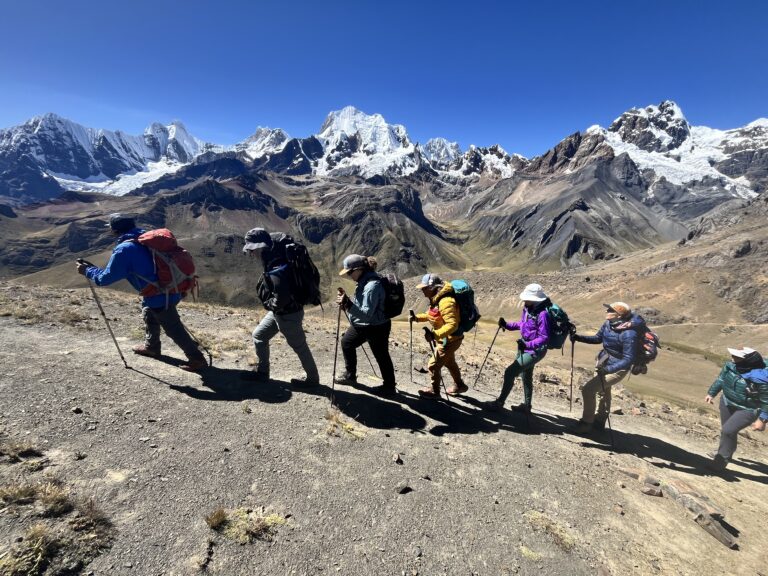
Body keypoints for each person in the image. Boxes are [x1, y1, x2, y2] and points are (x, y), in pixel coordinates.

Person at [76, 213, 207, 372]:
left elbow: (105, 279)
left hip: (159, 295)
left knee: (173, 328)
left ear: (114, 230)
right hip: (173, 288)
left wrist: (88, 271)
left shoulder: (125, 249)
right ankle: (152, 347)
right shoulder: (146, 238)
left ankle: (196, 358)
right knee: (149, 312)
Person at [241, 228, 320, 387]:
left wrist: (269, 304)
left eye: (252, 249)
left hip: (288, 314)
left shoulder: (277, 264)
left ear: (260, 246)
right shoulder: (273, 254)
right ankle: (263, 373)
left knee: (299, 347)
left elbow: (281, 298)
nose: (251, 253)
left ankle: (313, 380)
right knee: (259, 336)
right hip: (281, 312)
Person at [570, 302, 641, 433]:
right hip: (604, 361)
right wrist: (579, 338)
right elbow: (598, 338)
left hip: (618, 368)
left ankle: (586, 423)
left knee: (588, 390)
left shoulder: (629, 334)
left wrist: (608, 370)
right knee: (604, 391)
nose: (606, 311)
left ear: (619, 315)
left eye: (610, 310)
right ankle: (600, 421)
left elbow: (628, 359)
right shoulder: (608, 324)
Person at [334, 254, 397, 397]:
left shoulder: (371, 286)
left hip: (375, 326)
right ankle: (352, 375)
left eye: (350, 272)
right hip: (371, 324)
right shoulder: (365, 280)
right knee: (348, 343)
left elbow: (366, 314)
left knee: (380, 355)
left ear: (359, 269)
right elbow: (362, 306)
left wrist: (348, 304)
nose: (349, 275)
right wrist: (347, 304)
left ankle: (388, 386)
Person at [485, 283, 551, 412]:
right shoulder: (528, 308)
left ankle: (499, 402)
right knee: (526, 375)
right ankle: (527, 406)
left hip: (535, 350)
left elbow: (544, 337)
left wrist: (527, 345)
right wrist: (507, 325)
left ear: (535, 299)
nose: (524, 300)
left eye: (527, 298)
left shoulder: (543, 314)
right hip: (524, 346)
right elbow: (523, 324)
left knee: (510, 372)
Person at [704, 347, 768, 471]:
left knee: (728, 431)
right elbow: (721, 379)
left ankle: (720, 462)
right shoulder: (730, 366)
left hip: (749, 409)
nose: (733, 359)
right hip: (727, 402)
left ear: (748, 361)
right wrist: (711, 393)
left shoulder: (762, 378)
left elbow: (766, 400)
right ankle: (727, 452)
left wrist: (762, 420)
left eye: (737, 357)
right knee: (728, 431)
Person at [409, 274, 468, 398]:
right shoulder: (436, 298)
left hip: (450, 340)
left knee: (433, 365)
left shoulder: (446, 301)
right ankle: (460, 385)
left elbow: (452, 325)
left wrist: (435, 335)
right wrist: (417, 318)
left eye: (424, 288)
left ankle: (435, 392)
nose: (422, 290)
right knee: (450, 362)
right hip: (447, 338)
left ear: (432, 287)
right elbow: (432, 315)